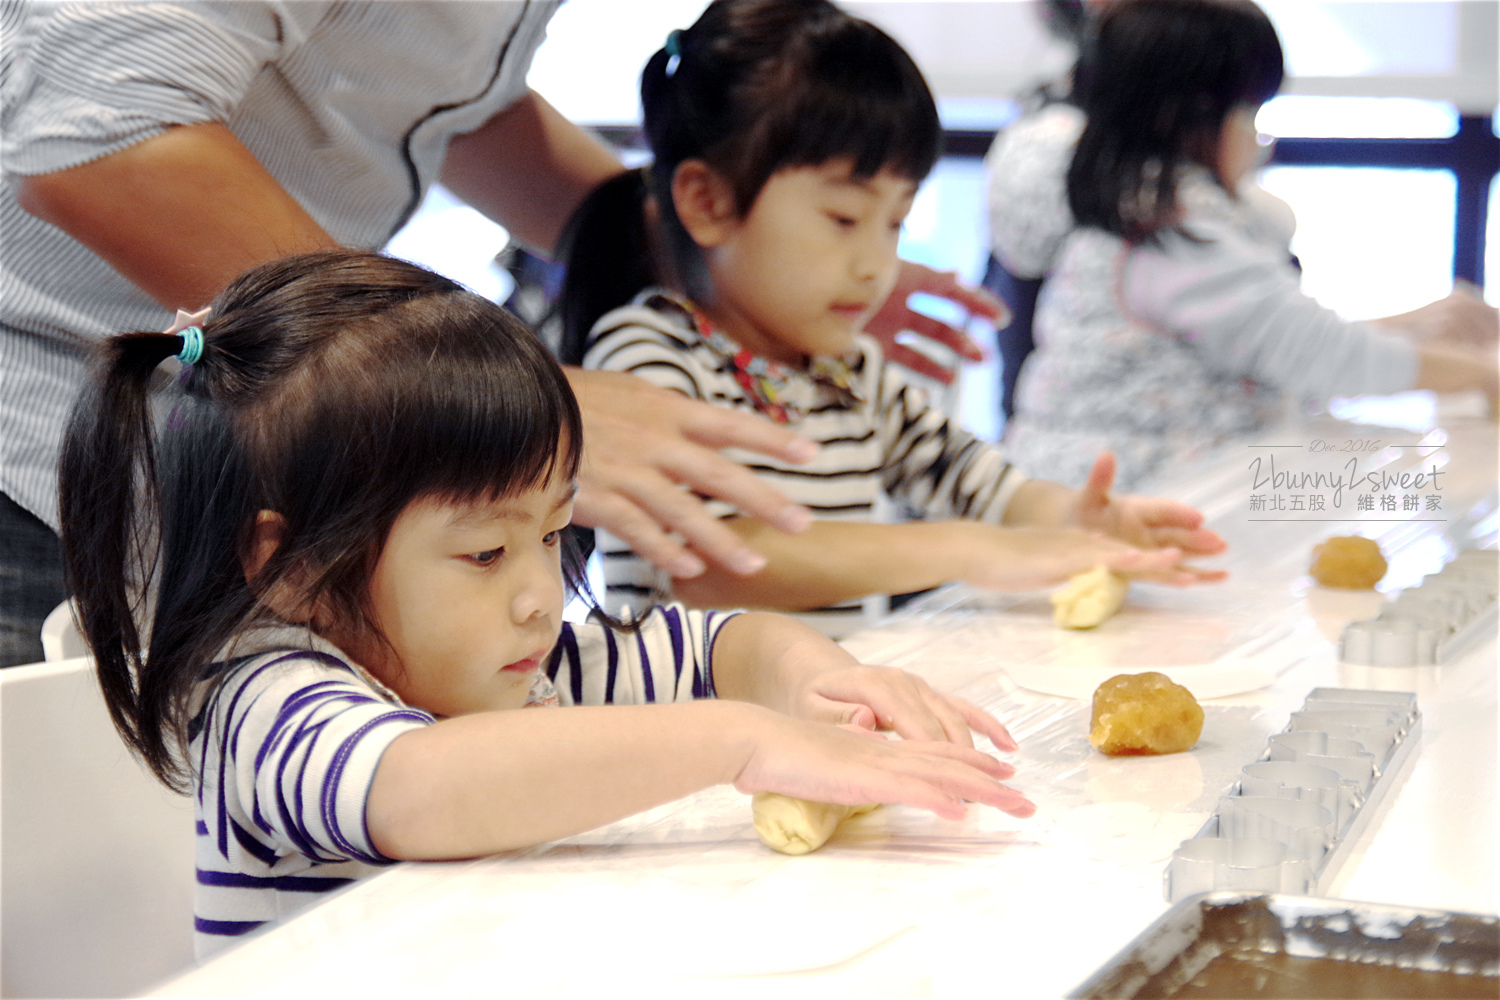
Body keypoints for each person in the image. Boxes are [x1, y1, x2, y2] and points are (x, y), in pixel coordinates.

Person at [56, 249, 1036, 957]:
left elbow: (725, 643)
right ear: (290, 563)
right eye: (485, 551)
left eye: (555, 534)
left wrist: (826, 687)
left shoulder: (517, 659)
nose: (538, 596)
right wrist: (736, 741)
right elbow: (415, 789)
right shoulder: (263, 699)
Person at [0, 0, 995, 667]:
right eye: (843, 215)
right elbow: (100, 131)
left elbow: (429, 95)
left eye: (887, 218)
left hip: (238, 458)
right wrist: (483, 381)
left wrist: (759, 253)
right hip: (48, 456)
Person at [559, 0, 1227, 631]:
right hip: (691, 739)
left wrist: (1076, 520)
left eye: (896, 223)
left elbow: (976, 481)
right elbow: (710, 562)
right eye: (844, 218)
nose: (875, 264)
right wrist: (967, 550)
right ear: (707, 202)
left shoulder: (844, 368)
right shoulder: (649, 359)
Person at [1000, 0, 1499, 491]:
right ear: (1188, 120)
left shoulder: (1143, 216)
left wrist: (1412, 327)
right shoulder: (1169, 237)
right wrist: (1482, 376)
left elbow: (1267, 343)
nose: (1262, 137)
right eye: (1250, 111)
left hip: (1130, 487)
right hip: (1129, 503)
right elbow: (1321, 355)